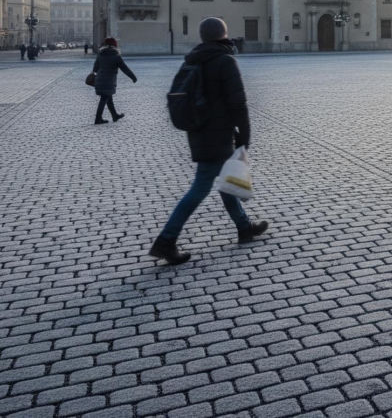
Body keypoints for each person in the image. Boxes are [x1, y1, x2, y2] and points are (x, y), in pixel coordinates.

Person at [149, 17, 268, 265]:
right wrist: (245, 137)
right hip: (218, 133)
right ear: (224, 34)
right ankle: (166, 241)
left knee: (226, 180)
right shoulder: (225, 60)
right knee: (201, 187)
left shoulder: (193, 59)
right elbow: (239, 103)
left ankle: (244, 227)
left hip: (199, 130)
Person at [91, 37, 137, 124]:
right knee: (104, 98)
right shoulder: (116, 56)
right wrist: (133, 77)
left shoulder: (100, 54)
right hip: (109, 81)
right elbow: (125, 68)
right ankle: (98, 119)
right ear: (115, 45)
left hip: (99, 79)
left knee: (108, 98)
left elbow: (95, 68)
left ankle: (114, 115)